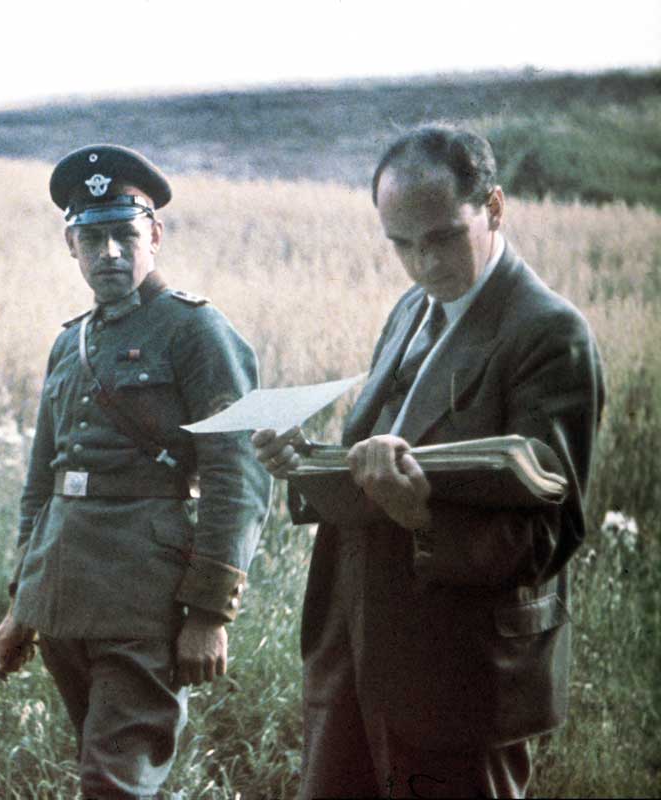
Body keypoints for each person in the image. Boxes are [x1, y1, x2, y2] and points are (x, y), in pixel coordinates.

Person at [253, 126, 604, 798]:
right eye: (401, 244)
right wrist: (300, 464)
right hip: (353, 657)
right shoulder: (412, 308)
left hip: (461, 679)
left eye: (442, 237)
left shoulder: (549, 333)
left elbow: (551, 535)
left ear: (494, 208)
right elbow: (383, 462)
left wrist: (424, 518)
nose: (422, 263)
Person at [0, 144, 270, 799]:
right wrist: (22, 605)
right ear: (71, 246)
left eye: (124, 235)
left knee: (114, 784)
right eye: (92, 238)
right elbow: (43, 483)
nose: (109, 253)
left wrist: (209, 612)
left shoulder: (198, 333)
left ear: (156, 236)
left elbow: (238, 475)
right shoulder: (70, 342)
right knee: (108, 775)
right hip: (64, 594)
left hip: (144, 601)